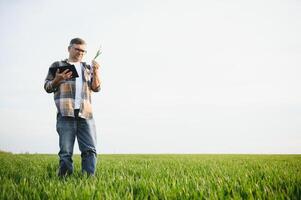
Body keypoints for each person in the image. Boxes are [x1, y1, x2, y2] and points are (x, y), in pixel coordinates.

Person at [44, 38, 101, 176]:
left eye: (83, 51)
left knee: (90, 150)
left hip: (85, 114)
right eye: (77, 49)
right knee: (65, 152)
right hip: (65, 113)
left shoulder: (87, 68)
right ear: (69, 48)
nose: (80, 53)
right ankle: (64, 180)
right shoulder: (57, 65)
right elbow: (47, 87)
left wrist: (96, 71)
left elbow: (96, 88)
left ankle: (88, 180)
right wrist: (57, 80)